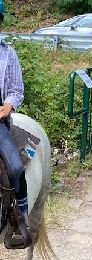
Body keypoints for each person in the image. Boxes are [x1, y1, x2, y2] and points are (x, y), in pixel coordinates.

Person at [0, 0, 30, 234]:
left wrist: (8, 104)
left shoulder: (8, 53)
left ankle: (22, 218)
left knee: (15, 167)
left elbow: (16, 89)